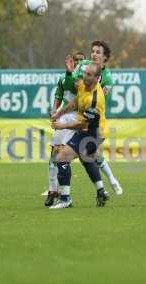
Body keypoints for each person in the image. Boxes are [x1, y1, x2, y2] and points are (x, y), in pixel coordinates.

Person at [63, 40, 123, 195]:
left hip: (91, 121)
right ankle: (106, 185)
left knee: (88, 155)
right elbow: (72, 85)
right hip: (75, 115)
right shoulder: (84, 66)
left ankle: (107, 183)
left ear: (105, 57)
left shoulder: (107, 79)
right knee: (87, 155)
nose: (94, 54)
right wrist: (70, 74)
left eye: (98, 52)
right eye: (93, 51)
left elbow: (98, 104)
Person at [49, 63, 108, 209]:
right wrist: (59, 113)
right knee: (86, 158)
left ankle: (65, 199)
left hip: (94, 133)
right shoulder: (83, 85)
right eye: (84, 73)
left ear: (96, 78)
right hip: (87, 130)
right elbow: (74, 103)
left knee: (61, 157)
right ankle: (101, 191)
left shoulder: (95, 99)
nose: (84, 76)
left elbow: (83, 124)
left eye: (88, 74)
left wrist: (61, 126)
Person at [44, 51, 86, 206]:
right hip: (65, 117)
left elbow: (75, 92)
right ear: (73, 61)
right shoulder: (65, 78)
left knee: (89, 158)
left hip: (77, 118)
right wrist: (54, 110)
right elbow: (58, 95)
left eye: (82, 60)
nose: (79, 63)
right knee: (56, 154)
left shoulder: (85, 79)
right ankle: (54, 190)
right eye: (77, 60)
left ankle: (101, 189)